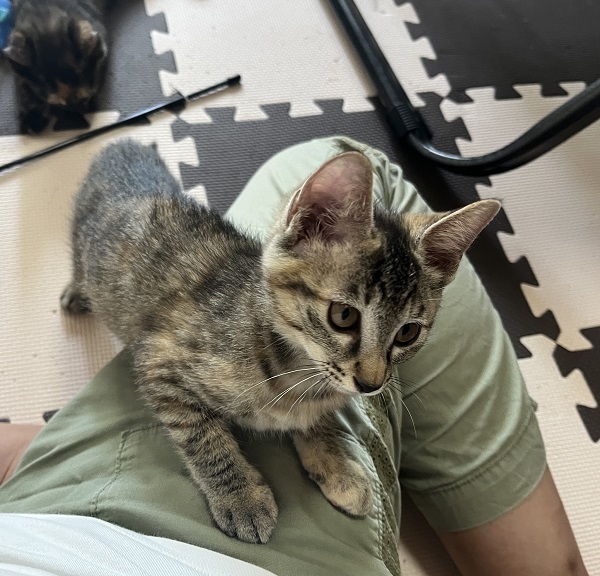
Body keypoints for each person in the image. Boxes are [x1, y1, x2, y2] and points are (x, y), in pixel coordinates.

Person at [0, 136, 589, 576]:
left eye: (405, 335)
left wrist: (320, 427)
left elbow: (349, 360)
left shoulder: (343, 341)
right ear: (304, 231)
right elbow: (163, 373)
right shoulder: (236, 353)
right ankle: (82, 274)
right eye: (345, 319)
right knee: (90, 256)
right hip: (116, 235)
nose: (373, 374)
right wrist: (228, 482)